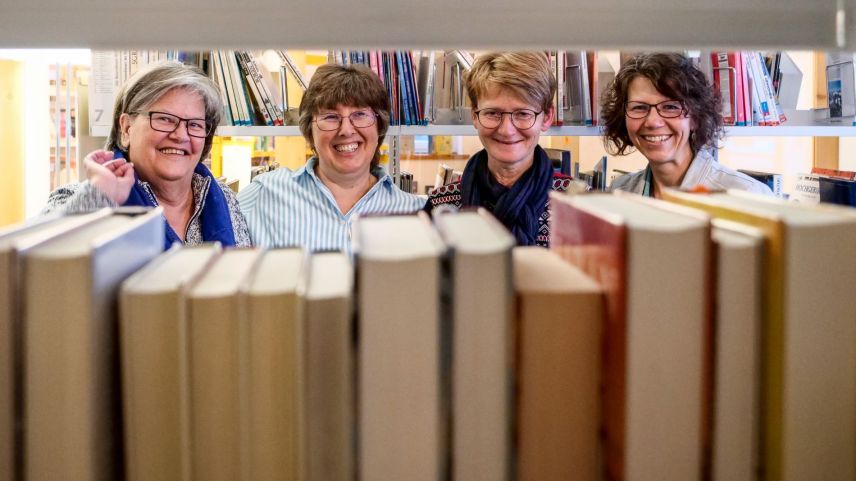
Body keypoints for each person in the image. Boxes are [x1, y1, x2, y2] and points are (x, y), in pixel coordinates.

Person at [43, 61, 251, 248]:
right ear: (126, 129)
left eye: (195, 124)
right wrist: (100, 194)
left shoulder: (224, 199)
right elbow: (36, 269)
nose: (180, 135)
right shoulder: (77, 199)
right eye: (164, 119)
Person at [238, 63, 425, 255]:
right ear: (310, 130)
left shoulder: (417, 214)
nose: (346, 130)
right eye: (331, 117)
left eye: (360, 114)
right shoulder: (262, 196)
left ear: (379, 127)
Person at [424, 52, 573, 247]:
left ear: (546, 118)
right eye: (493, 113)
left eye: (522, 113)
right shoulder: (441, 205)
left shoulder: (578, 204)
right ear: (475, 116)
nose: (507, 130)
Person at [602, 52, 772, 197]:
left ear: (696, 118)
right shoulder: (619, 193)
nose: (653, 122)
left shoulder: (748, 195)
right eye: (639, 107)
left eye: (670, 107)